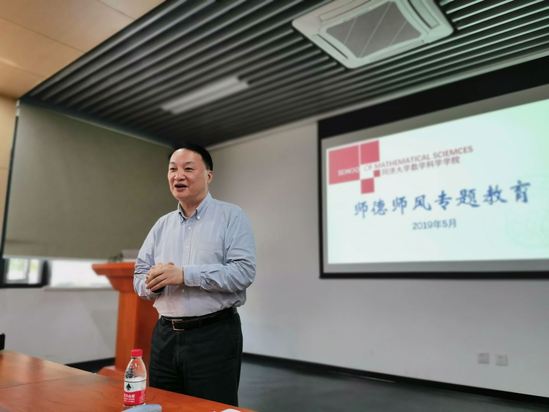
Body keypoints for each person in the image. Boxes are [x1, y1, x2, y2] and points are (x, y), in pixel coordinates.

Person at [133, 143, 256, 406]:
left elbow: (242, 272)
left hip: (213, 335)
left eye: (188, 169)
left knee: (211, 408)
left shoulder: (232, 216)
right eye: (172, 169)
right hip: (165, 336)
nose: (178, 176)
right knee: (164, 406)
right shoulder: (161, 225)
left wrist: (184, 275)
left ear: (208, 176)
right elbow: (139, 276)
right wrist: (152, 284)